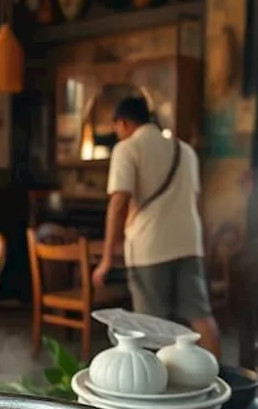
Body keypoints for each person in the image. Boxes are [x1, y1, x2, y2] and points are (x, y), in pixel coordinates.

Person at [92, 95, 221, 357]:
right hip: (189, 244)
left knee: (151, 324)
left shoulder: (127, 149)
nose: (117, 134)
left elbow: (118, 204)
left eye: (116, 127)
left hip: (150, 247)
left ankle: (159, 390)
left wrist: (106, 259)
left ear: (124, 123)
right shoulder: (185, 150)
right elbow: (193, 201)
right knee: (201, 317)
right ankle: (219, 382)